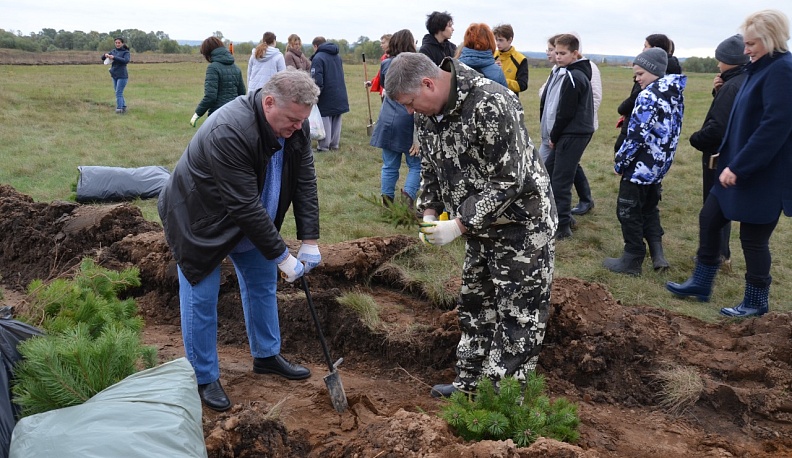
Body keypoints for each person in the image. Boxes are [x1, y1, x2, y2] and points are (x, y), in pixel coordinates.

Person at [384, 52, 557, 398]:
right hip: (478, 228)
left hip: (521, 227)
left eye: (409, 102)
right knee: (475, 307)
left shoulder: (490, 102)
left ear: (429, 84)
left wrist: (460, 224)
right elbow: (432, 166)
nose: (409, 111)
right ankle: (468, 387)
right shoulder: (428, 114)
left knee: (517, 315)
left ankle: (499, 400)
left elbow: (510, 180)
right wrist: (430, 211)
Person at [158, 68, 322, 411]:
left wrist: (309, 240)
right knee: (201, 298)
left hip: (251, 217)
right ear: (268, 102)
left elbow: (305, 179)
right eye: (292, 119)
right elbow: (242, 204)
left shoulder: (297, 123)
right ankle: (203, 377)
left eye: (302, 120)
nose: (297, 127)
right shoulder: (229, 130)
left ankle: (266, 356)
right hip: (200, 220)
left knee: (262, 284)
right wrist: (282, 255)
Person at [667, 9, 792, 317]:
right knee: (710, 220)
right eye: (746, 44)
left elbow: (774, 127)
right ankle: (701, 281)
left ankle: (755, 302)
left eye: (752, 44)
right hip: (734, 164)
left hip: (763, 173)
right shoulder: (758, 67)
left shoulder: (783, 70)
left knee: (753, 238)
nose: (745, 50)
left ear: (771, 39)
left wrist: (740, 167)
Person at [604, 47, 686, 276]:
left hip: (639, 167)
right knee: (650, 208)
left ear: (654, 71)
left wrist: (620, 163)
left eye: (640, 74)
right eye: (635, 75)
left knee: (627, 210)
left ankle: (632, 258)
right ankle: (656, 255)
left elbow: (636, 135)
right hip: (659, 166)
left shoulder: (648, 96)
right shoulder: (674, 93)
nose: (637, 79)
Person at [688, 34, 750, 270]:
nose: (717, 64)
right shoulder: (743, 81)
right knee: (722, 207)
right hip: (737, 153)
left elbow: (718, 128)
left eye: (720, 59)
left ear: (730, 60)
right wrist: (719, 91)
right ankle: (721, 254)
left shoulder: (732, 86)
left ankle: (715, 256)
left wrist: (696, 139)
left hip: (720, 156)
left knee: (715, 209)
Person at [539, 34, 595, 240]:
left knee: (560, 180)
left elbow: (565, 111)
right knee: (551, 172)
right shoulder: (567, 72)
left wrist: (554, 135)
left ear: (575, 53)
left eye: (563, 53)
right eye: (557, 52)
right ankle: (562, 219)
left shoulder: (573, 76)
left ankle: (562, 226)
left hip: (573, 134)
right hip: (568, 133)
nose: (558, 56)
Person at [370, 30, 421, 208]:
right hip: (408, 117)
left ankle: (387, 203)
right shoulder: (415, 65)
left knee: (389, 164)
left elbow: (386, 87)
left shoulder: (386, 64)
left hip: (387, 117)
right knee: (416, 164)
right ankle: (407, 199)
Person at [615, 34, 681, 154]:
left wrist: (624, 108)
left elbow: (637, 134)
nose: (643, 50)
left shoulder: (651, 86)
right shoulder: (672, 82)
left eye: (645, 46)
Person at [190, 37, 246, 127]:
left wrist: (197, 114)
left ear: (208, 53)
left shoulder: (213, 68)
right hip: (235, 116)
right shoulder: (236, 68)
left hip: (217, 117)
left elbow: (210, 96)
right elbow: (242, 93)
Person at [310, 36, 349, 151]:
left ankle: (323, 146)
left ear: (316, 46)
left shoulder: (318, 58)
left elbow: (316, 79)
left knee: (325, 118)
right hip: (339, 91)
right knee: (336, 118)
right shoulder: (337, 56)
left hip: (326, 93)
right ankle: (334, 144)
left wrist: (315, 93)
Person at [493, 24, 529, 95]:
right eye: (496, 40)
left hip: (510, 102)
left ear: (510, 40)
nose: (497, 43)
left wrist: (502, 81)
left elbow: (522, 85)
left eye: (501, 40)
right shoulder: (492, 55)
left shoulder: (521, 59)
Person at [101, 37, 130, 114]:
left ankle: (119, 109)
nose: (117, 44)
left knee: (118, 93)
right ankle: (123, 107)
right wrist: (105, 55)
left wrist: (114, 57)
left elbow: (125, 61)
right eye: (116, 43)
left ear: (122, 43)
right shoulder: (113, 51)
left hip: (122, 75)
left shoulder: (125, 52)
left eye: (119, 43)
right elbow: (102, 58)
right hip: (114, 75)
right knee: (118, 92)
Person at [367, 34, 391, 100]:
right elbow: (380, 74)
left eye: (383, 43)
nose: (381, 45)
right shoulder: (384, 57)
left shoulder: (396, 57)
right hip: (383, 91)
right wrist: (371, 82)